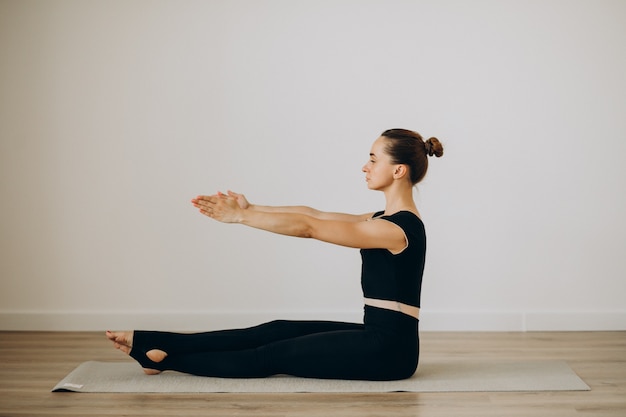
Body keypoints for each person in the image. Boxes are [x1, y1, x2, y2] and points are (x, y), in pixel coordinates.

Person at [107, 128, 444, 381]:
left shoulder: (397, 230)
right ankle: (157, 341)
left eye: (373, 159)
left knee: (271, 356)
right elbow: (316, 214)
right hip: (378, 336)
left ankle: (165, 359)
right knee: (274, 330)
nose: (364, 167)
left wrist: (242, 218)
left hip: (391, 352)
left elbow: (310, 227)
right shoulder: (379, 220)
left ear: (398, 170)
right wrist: (253, 207)